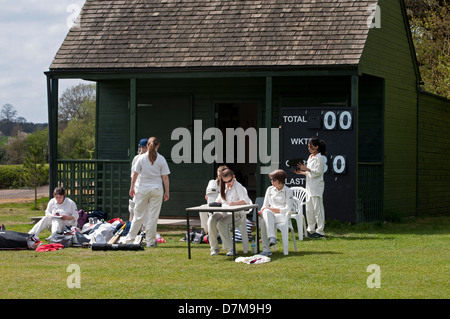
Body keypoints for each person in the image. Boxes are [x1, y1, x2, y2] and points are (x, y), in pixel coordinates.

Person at [124, 137, 170, 247]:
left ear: (147, 145)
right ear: (157, 146)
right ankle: (150, 242)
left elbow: (135, 174)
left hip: (142, 189)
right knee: (153, 217)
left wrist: (132, 188)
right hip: (157, 189)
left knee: (138, 216)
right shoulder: (161, 159)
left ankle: (129, 240)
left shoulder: (141, 158)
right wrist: (167, 192)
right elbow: (165, 177)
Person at [207, 168, 252, 256]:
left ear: (233, 177)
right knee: (211, 220)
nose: (227, 183)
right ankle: (214, 248)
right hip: (225, 212)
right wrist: (216, 203)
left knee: (221, 223)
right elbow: (219, 200)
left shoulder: (238, 186)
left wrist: (234, 203)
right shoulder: (224, 186)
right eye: (225, 182)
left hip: (237, 214)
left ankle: (231, 248)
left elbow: (245, 200)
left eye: (229, 181)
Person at [294, 136, 326, 238]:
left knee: (318, 209)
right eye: (308, 146)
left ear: (317, 147)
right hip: (309, 187)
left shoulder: (320, 158)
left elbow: (318, 172)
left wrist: (306, 169)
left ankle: (320, 231)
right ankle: (311, 230)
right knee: (309, 210)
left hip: (316, 187)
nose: (309, 148)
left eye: (311, 146)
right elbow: (310, 173)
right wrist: (301, 172)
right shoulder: (311, 157)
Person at [258, 169, 294, 256]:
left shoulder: (288, 191)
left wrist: (272, 209)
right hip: (269, 215)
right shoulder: (269, 189)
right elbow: (264, 205)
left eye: (274, 180)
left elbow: (288, 209)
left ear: (281, 180)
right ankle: (270, 241)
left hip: (282, 216)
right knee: (264, 217)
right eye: (271, 180)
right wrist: (262, 210)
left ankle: (269, 243)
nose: (272, 182)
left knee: (265, 215)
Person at [201, 165, 228, 233]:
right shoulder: (212, 182)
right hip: (212, 204)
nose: (220, 177)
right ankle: (206, 232)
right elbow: (207, 196)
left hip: (224, 207)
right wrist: (208, 197)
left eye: (221, 175)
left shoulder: (228, 184)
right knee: (202, 209)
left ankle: (215, 231)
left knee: (214, 215)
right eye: (219, 175)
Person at [128, 138, 148, 222]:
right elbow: (133, 174)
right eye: (141, 147)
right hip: (137, 186)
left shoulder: (153, 158)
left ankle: (145, 227)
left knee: (147, 208)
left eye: (145, 147)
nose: (143, 149)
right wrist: (132, 187)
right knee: (134, 208)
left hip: (147, 186)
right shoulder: (136, 158)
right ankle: (131, 225)